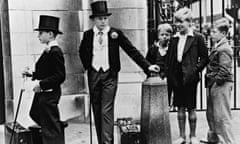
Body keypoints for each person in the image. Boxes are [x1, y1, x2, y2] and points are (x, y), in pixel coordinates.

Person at [78, 1, 159, 144]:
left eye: (105, 18)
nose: (103, 21)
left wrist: (147, 66)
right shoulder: (88, 35)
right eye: (99, 18)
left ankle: (107, 142)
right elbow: (81, 52)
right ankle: (101, 141)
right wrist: (89, 67)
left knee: (106, 111)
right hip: (94, 75)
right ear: (94, 20)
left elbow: (131, 50)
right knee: (97, 111)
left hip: (110, 75)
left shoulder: (115, 33)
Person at [166, 7, 209, 144]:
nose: (178, 25)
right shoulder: (174, 39)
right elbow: (171, 59)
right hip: (177, 76)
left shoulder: (197, 38)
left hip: (190, 77)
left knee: (191, 107)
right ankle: (182, 136)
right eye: (177, 22)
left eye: (181, 22)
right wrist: (170, 75)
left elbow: (204, 58)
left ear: (189, 22)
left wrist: (195, 70)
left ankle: (193, 135)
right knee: (180, 107)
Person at [22, 15, 66, 144]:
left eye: (41, 33)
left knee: (50, 126)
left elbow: (60, 76)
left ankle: (54, 134)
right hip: (43, 94)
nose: (38, 36)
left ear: (50, 34)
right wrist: (32, 74)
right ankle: (54, 128)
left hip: (49, 95)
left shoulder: (55, 51)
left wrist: (41, 84)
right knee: (35, 113)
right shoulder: (48, 50)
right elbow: (46, 71)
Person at [205, 17, 235, 144]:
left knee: (222, 116)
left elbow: (224, 70)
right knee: (212, 114)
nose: (211, 34)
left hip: (221, 85)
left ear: (223, 33)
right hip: (215, 84)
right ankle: (215, 139)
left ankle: (229, 141)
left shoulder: (224, 48)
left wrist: (216, 81)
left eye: (214, 32)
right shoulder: (218, 46)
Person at [146, 23, 173, 105]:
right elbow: (147, 63)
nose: (164, 37)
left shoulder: (172, 49)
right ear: (158, 36)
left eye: (167, 35)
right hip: (155, 78)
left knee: (166, 101)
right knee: (155, 101)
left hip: (168, 79)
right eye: (162, 34)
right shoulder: (153, 49)